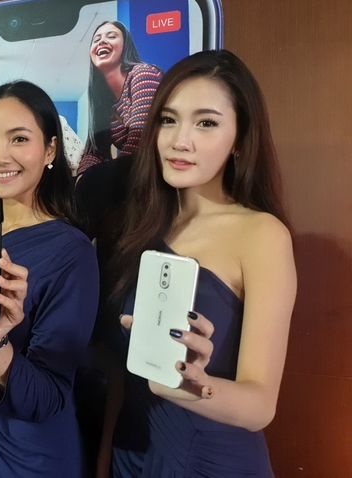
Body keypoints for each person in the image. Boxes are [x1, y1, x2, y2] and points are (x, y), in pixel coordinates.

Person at [89, 50, 296, 477]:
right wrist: (105, 455)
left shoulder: (262, 235)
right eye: (168, 119)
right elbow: (122, 367)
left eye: (206, 123)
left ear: (240, 139)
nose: (179, 140)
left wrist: (196, 386)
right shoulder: (135, 227)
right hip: (131, 454)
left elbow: (261, 405)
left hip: (210, 461)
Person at [0, 80, 100, 477]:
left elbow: (49, 395)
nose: (0, 155)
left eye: (19, 139)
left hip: (33, 457)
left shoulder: (72, 252)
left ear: (50, 149)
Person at [77, 21, 163, 176]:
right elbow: (95, 151)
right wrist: (82, 177)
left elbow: (140, 139)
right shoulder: (105, 102)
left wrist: (106, 178)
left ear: (125, 46)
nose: (102, 41)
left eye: (111, 36)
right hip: (137, 173)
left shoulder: (143, 74)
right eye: (96, 40)